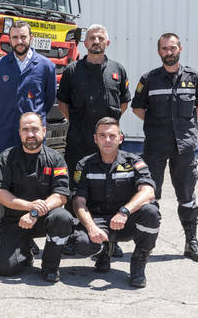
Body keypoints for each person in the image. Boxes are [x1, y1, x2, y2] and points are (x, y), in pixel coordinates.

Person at [131, 32, 198, 263]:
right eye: (165, 48)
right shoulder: (149, 79)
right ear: (159, 52)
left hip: (184, 148)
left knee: (187, 195)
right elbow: (138, 108)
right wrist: (157, 126)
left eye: (172, 48)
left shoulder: (194, 77)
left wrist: (185, 128)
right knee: (149, 195)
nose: (169, 52)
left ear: (180, 49)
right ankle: (146, 245)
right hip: (155, 146)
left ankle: (191, 242)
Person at [57, 24, 130, 257]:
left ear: (107, 43)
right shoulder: (71, 70)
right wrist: (80, 126)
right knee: (74, 188)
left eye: (100, 38)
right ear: (85, 43)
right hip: (78, 141)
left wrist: (105, 134)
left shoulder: (118, 70)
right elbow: (63, 103)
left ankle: (112, 237)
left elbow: (124, 103)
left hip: (108, 145)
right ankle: (72, 233)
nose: (96, 41)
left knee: (111, 188)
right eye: (91, 38)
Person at [72, 117, 160, 288]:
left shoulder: (133, 161)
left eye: (112, 136)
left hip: (127, 222)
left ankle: (139, 262)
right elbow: (78, 201)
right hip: (99, 222)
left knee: (151, 212)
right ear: (95, 138)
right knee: (82, 244)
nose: (107, 140)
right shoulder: (85, 165)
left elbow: (148, 191)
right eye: (102, 135)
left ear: (120, 138)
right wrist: (91, 228)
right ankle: (104, 249)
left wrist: (124, 212)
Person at [0, 112, 71, 282]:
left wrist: (35, 213)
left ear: (43, 130)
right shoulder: (6, 157)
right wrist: (29, 207)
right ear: (19, 133)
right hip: (15, 219)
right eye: (25, 130)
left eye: (34, 129)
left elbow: (61, 195)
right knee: (5, 269)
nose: (30, 134)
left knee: (63, 217)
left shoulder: (56, 159)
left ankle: (50, 266)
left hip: (45, 217)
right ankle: (25, 252)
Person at [0, 21, 56, 160]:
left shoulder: (46, 66)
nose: (19, 41)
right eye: (15, 37)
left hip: (32, 135)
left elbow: (49, 99)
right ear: (9, 39)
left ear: (31, 37)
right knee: (3, 177)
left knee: (33, 178)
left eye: (23, 37)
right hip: (4, 133)